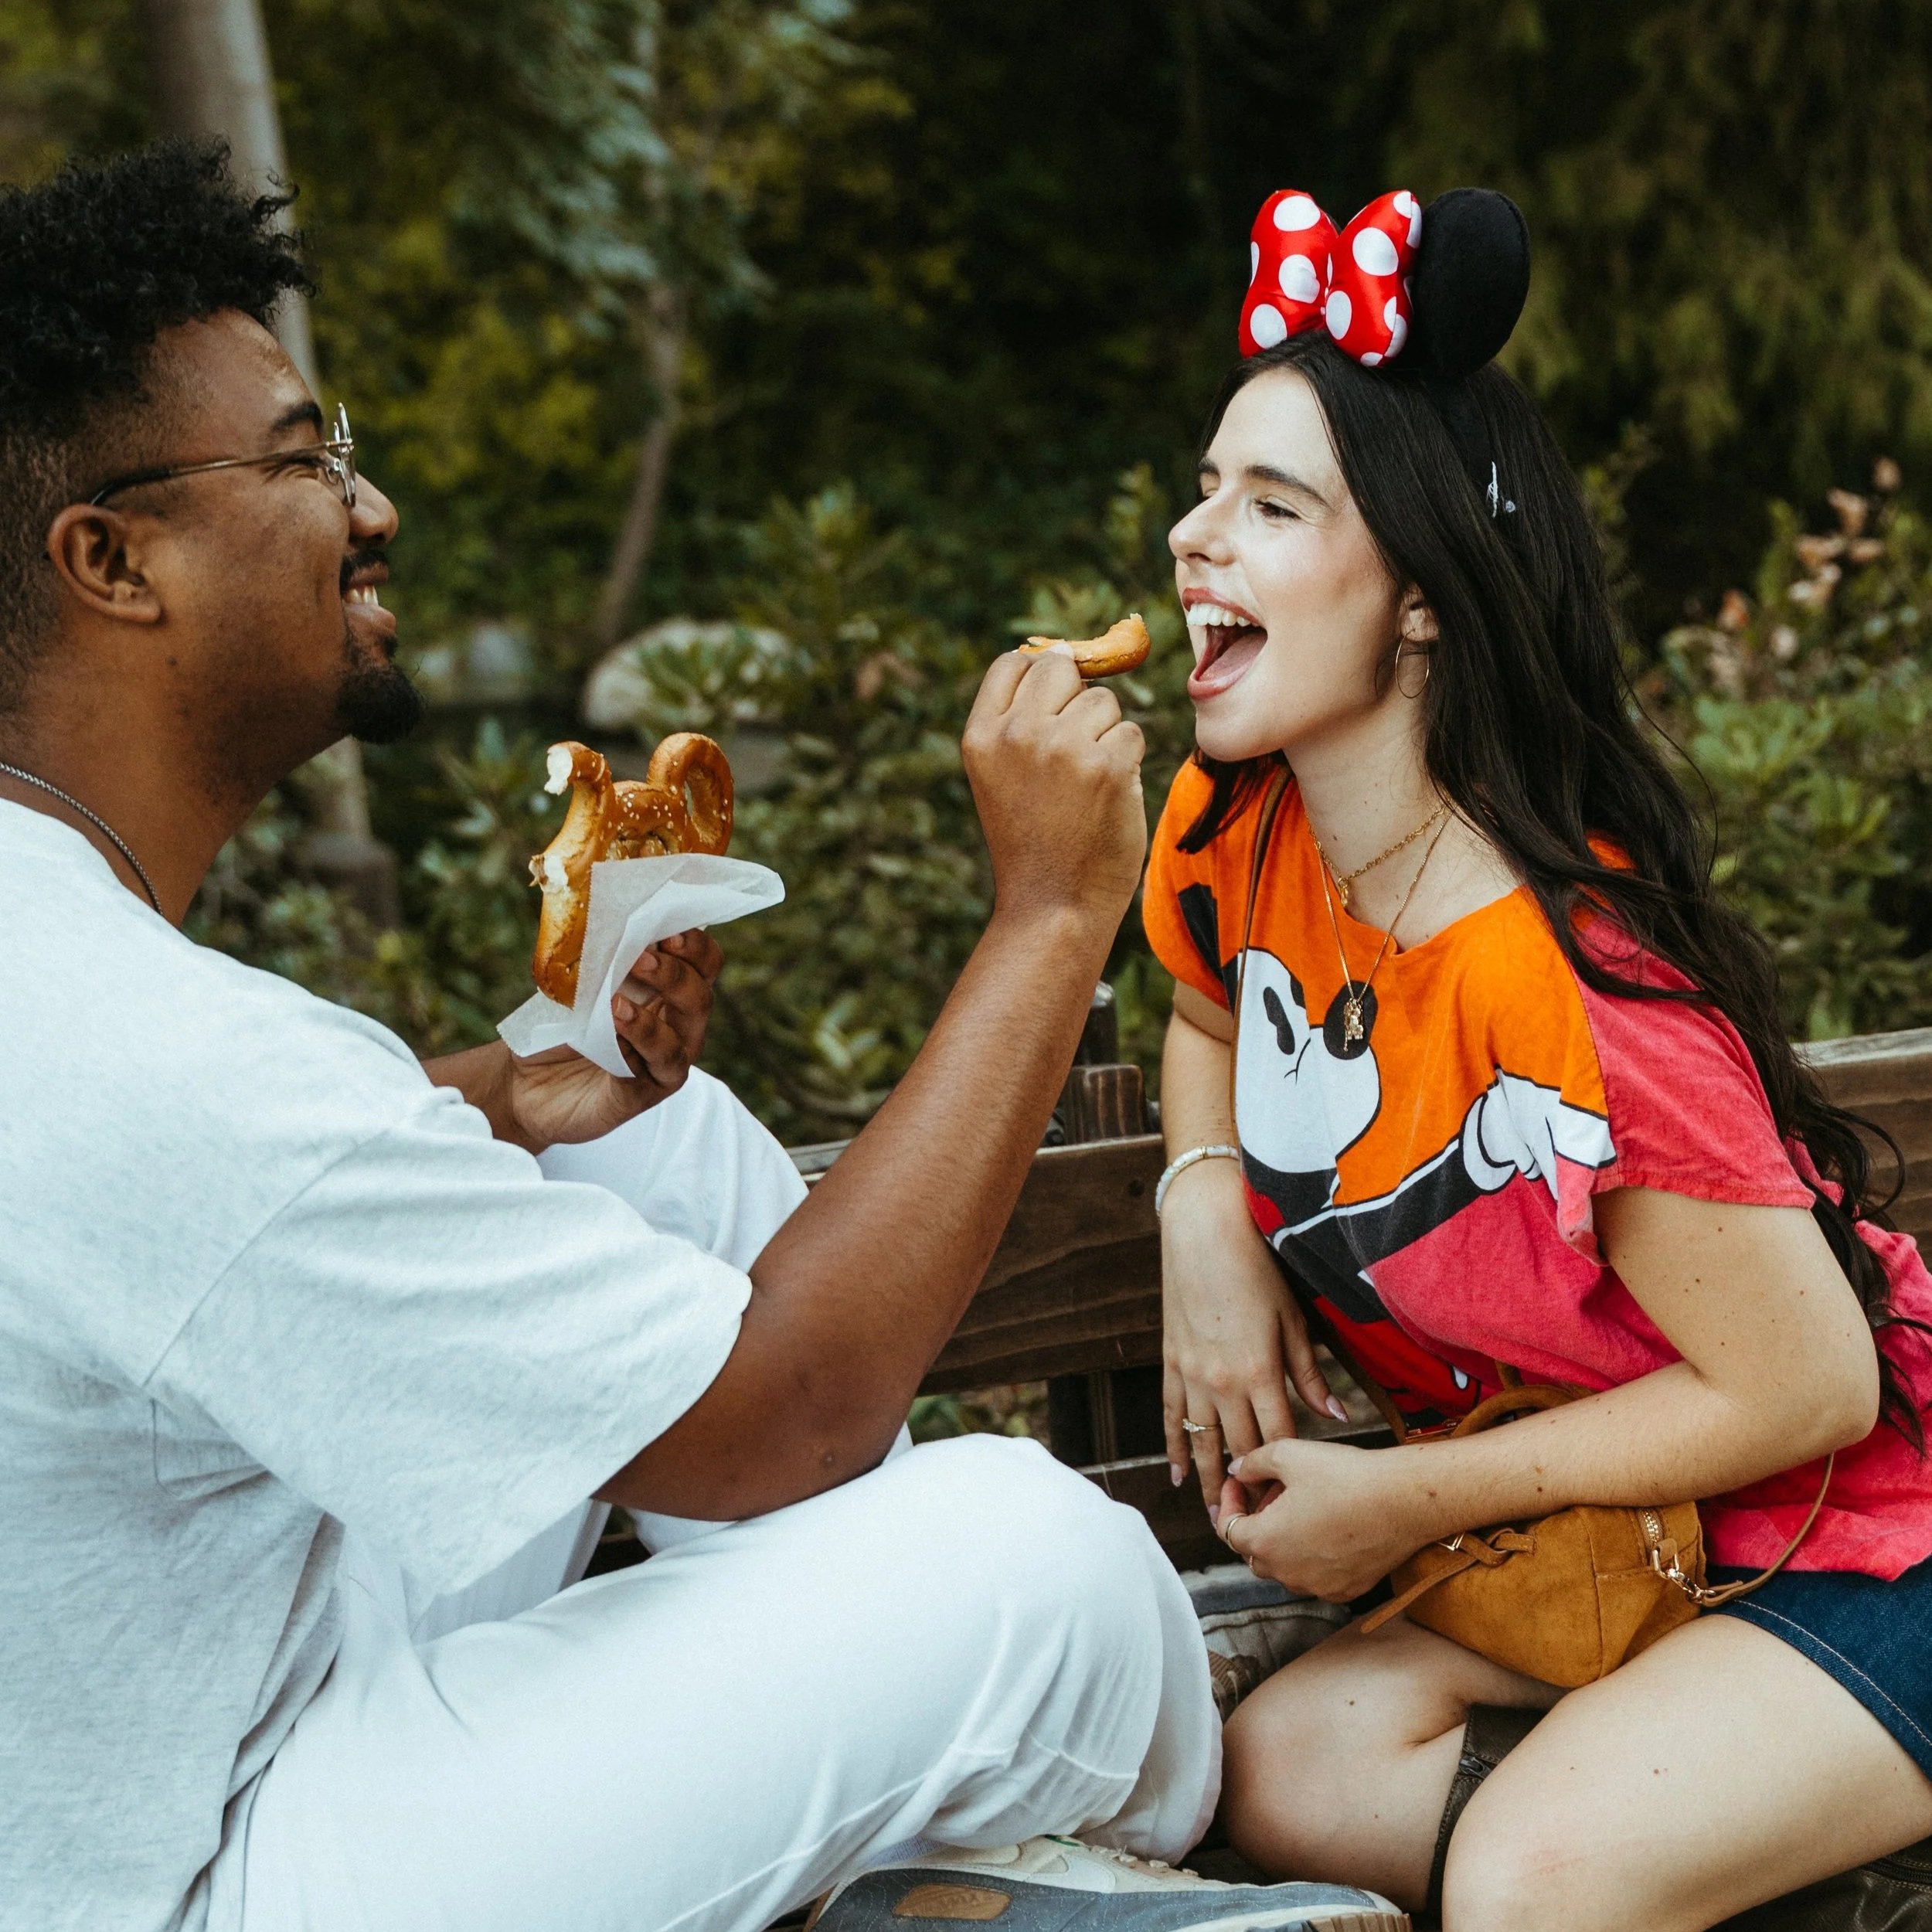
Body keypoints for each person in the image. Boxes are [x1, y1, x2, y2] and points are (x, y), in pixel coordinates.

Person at [0, 144, 1413, 1932]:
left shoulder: (53, 958)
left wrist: (507, 1097)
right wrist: (1052, 914)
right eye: (303, 459)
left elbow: (191, 1211)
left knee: (631, 1137)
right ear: (110, 561)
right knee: (1038, 1561)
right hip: (185, 1871)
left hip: (156, 1724)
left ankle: (907, 1788)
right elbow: (789, 1417)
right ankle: (1018, 1795)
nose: (367, 509)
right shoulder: (160, 1058)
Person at [1141, 185, 1932, 1932]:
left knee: (1529, 1874)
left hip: (1862, 1521)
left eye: (1267, 504)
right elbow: (1206, 1009)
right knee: (1286, 1768)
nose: (1193, 536)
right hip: (1606, 1535)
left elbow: (1810, 1390)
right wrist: (1200, 1209)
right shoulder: (1239, 828)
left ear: (1419, 597)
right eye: (1204, 486)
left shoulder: (1577, 997)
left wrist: (1398, 1500)